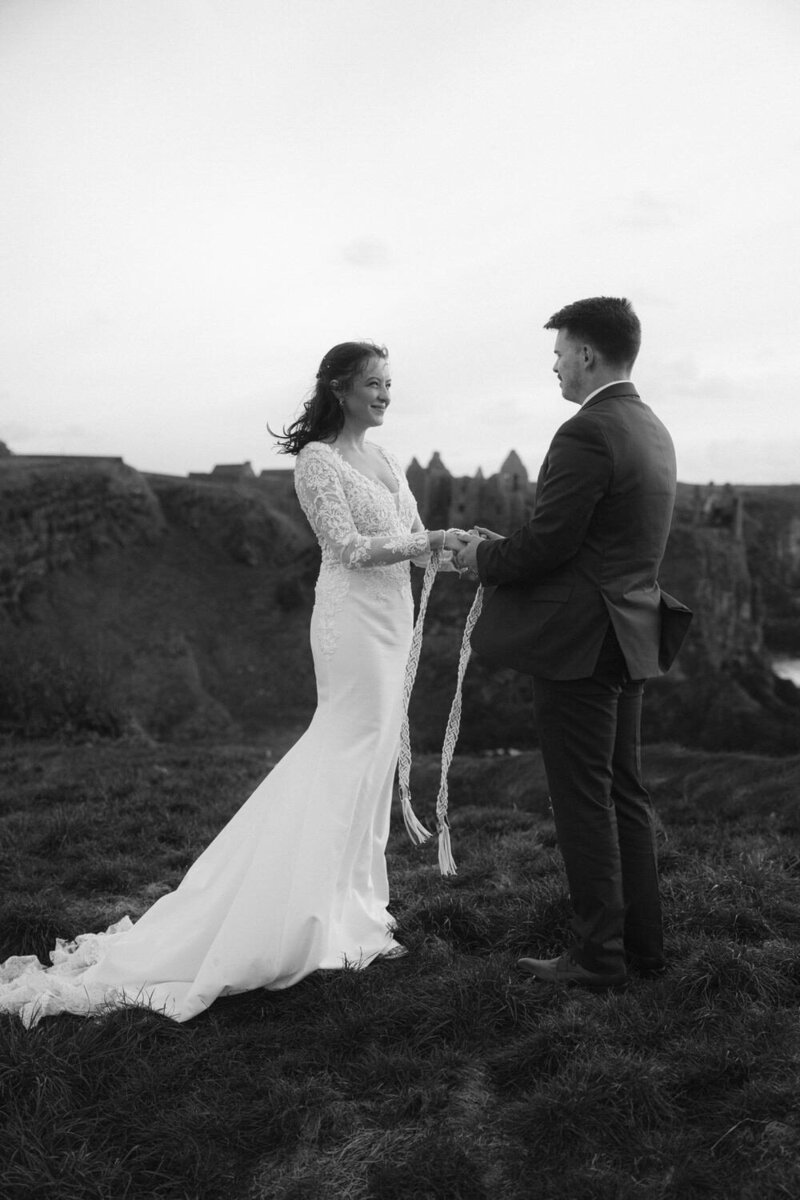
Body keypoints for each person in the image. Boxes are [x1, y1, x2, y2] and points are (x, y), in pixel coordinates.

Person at [0, 340, 464, 1026]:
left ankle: (353, 908)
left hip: (393, 618)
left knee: (369, 759)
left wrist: (459, 552)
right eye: (373, 383)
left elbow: (416, 537)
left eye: (390, 383)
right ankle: (293, 913)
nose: (386, 394)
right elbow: (346, 548)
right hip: (351, 624)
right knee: (344, 748)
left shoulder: (389, 459)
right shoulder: (316, 461)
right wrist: (430, 542)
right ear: (340, 388)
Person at [456, 297, 691, 991]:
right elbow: (594, 542)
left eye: (559, 350)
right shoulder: (652, 427)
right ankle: (641, 950)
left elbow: (554, 541)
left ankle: (598, 959)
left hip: (582, 643)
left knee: (583, 799)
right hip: (630, 632)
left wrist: (482, 560)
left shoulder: (587, 431)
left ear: (587, 354)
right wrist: (511, 549)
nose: (554, 363)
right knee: (624, 793)